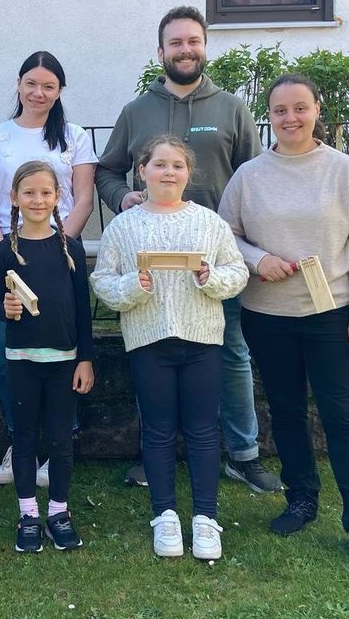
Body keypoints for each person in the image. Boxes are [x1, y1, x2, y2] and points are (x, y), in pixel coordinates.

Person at [95, 5, 282, 493]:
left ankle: (243, 454)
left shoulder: (232, 108)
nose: (185, 49)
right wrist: (124, 198)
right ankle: (153, 454)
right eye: (175, 42)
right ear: (161, 52)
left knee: (233, 354)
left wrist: (249, 245)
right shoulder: (137, 111)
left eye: (193, 41)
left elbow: (253, 179)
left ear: (204, 47)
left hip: (213, 261)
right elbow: (107, 171)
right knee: (149, 347)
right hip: (151, 263)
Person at [218, 74, 349, 572]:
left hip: (331, 314)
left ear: (317, 109)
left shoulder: (345, 172)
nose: (290, 119)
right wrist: (258, 259)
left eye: (300, 108)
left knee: (343, 416)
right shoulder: (249, 176)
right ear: (269, 115)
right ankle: (301, 499)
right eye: (280, 110)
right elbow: (225, 236)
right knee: (285, 410)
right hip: (268, 316)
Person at [91, 136, 249, 560]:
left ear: (188, 173)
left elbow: (237, 272)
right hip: (149, 339)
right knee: (158, 430)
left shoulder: (210, 223)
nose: (168, 172)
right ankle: (165, 516)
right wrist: (131, 286)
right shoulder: (123, 226)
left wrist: (209, 279)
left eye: (177, 165)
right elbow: (103, 279)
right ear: (141, 171)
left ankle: (205, 518)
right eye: (159, 164)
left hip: (201, 340)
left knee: (201, 429)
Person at [0, 51, 97, 488]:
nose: (38, 92)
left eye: (48, 85)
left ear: (60, 90)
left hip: (58, 252)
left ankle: (60, 444)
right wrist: (6, 248)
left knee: (64, 348)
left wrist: (61, 244)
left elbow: (82, 197)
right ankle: (18, 441)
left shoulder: (76, 136)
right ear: (19, 84)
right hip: (13, 253)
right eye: (31, 83)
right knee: (6, 355)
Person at [0, 161, 94, 553]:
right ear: (13, 198)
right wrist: (8, 308)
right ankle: (29, 512)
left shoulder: (72, 250)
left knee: (61, 438)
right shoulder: (3, 251)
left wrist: (86, 358)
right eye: (28, 192)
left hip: (65, 360)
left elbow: (83, 308)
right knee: (26, 436)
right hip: (22, 360)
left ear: (57, 197)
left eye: (45, 192)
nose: (37, 199)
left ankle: (60, 512)